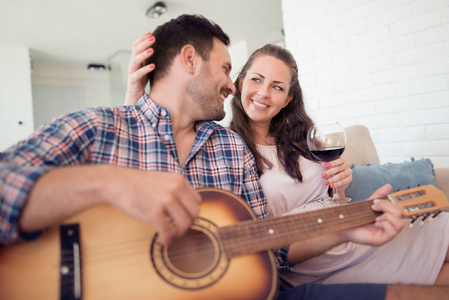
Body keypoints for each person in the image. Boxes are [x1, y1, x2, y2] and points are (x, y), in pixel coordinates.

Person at [0, 14, 445, 300]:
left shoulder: (229, 148)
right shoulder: (98, 127)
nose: (234, 87)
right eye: (229, 69)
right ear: (190, 60)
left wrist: (347, 228)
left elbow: (271, 249)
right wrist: (106, 182)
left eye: (276, 87)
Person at [122, 20, 449, 299]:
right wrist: (135, 102)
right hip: (309, 258)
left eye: (277, 87)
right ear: (239, 82)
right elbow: (163, 144)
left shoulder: (304, 139)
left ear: (287, 98)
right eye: (256, 79)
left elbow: (330, 200)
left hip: (348, 232)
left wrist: (342, 184)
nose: (264, 93)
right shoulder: (222, 144)